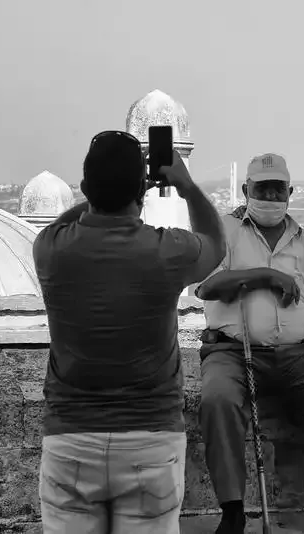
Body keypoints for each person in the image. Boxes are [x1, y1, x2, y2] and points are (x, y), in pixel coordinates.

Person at [33, 130, 226, 534]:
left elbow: (63, 223)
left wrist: (113, 192)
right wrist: (185, 186)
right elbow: (214, 242)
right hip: (150, 439)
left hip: (70, 436)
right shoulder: (168, 251)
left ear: (85, 187)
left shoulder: (51, 249)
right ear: (140, 189)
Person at [195, 153, 304, 534]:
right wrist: (264, 276)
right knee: (217, 400)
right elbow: (206, 286)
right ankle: (232, 510)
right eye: (262, 188)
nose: (270, 196)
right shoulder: (225, 231)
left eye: (277, 189)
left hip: (297, 354)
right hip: (232, 352)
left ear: (289, 191)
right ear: (246, 190)